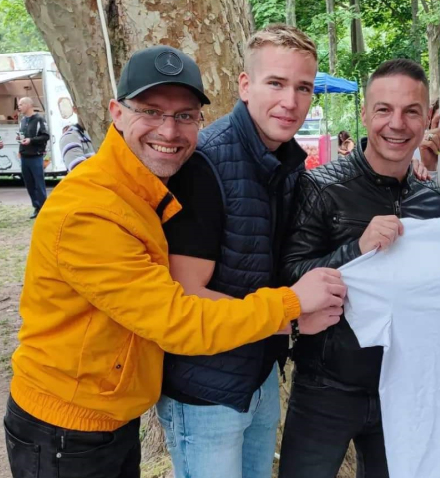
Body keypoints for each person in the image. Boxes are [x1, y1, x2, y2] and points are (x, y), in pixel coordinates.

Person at [3, 45, 345, 478]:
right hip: (64, 430)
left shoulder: (146, 190)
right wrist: (291, 308)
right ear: (116, 113)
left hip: (114, 415)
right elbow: (177, 320)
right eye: (150, 111)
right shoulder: (89, 211)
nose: (169, 129)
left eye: (185, 115)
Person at [156, 25, 340, 478]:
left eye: (303, 88)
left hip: (259, 374)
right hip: (206, 390)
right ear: (244, 85)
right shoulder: (206, 164)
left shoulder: (286, 162)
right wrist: (290, 320)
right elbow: (186, 296)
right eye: (275, 83)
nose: (290, 101)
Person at [278, 59, 440, 477]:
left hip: (403, 389)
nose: (397, 124)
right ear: (366, 114)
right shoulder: (320, 186)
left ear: (427, 119)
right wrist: (357, 248)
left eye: (411, 111)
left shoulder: (431, 201)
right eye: (384, 109)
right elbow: (291, 274)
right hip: (325, 387)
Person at [17, 96, 49, 218]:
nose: (19, 107)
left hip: (36, 156)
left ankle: (44, 207)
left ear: (28, 105)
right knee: (29, 183)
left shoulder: (39, 119)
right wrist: (20, 141)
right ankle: (36, 207)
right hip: (24, 156)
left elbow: (45, 136)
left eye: (21, 104)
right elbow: (23, 135)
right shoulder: (22, 120)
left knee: (38, 183)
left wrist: (31, 140)